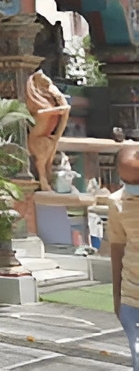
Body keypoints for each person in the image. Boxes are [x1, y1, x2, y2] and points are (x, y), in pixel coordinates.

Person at [108, 142, 139, 369]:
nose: (132, 187)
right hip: (132, 298)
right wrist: (117, 299)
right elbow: (117, 248)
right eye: (127, 181)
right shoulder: (117, 202)